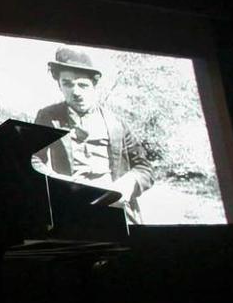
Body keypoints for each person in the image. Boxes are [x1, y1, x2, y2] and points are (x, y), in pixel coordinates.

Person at [33, 46, 154, 224]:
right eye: (67, 84)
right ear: (59, 85)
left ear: (94, 85)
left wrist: (125, 187)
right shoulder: (48, 117)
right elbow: (33, 159)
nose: (75, 91)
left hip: (115, 207)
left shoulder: (116, 123)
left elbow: (144, 168)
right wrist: (56, 182)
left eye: (83, 85)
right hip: (71, 208)